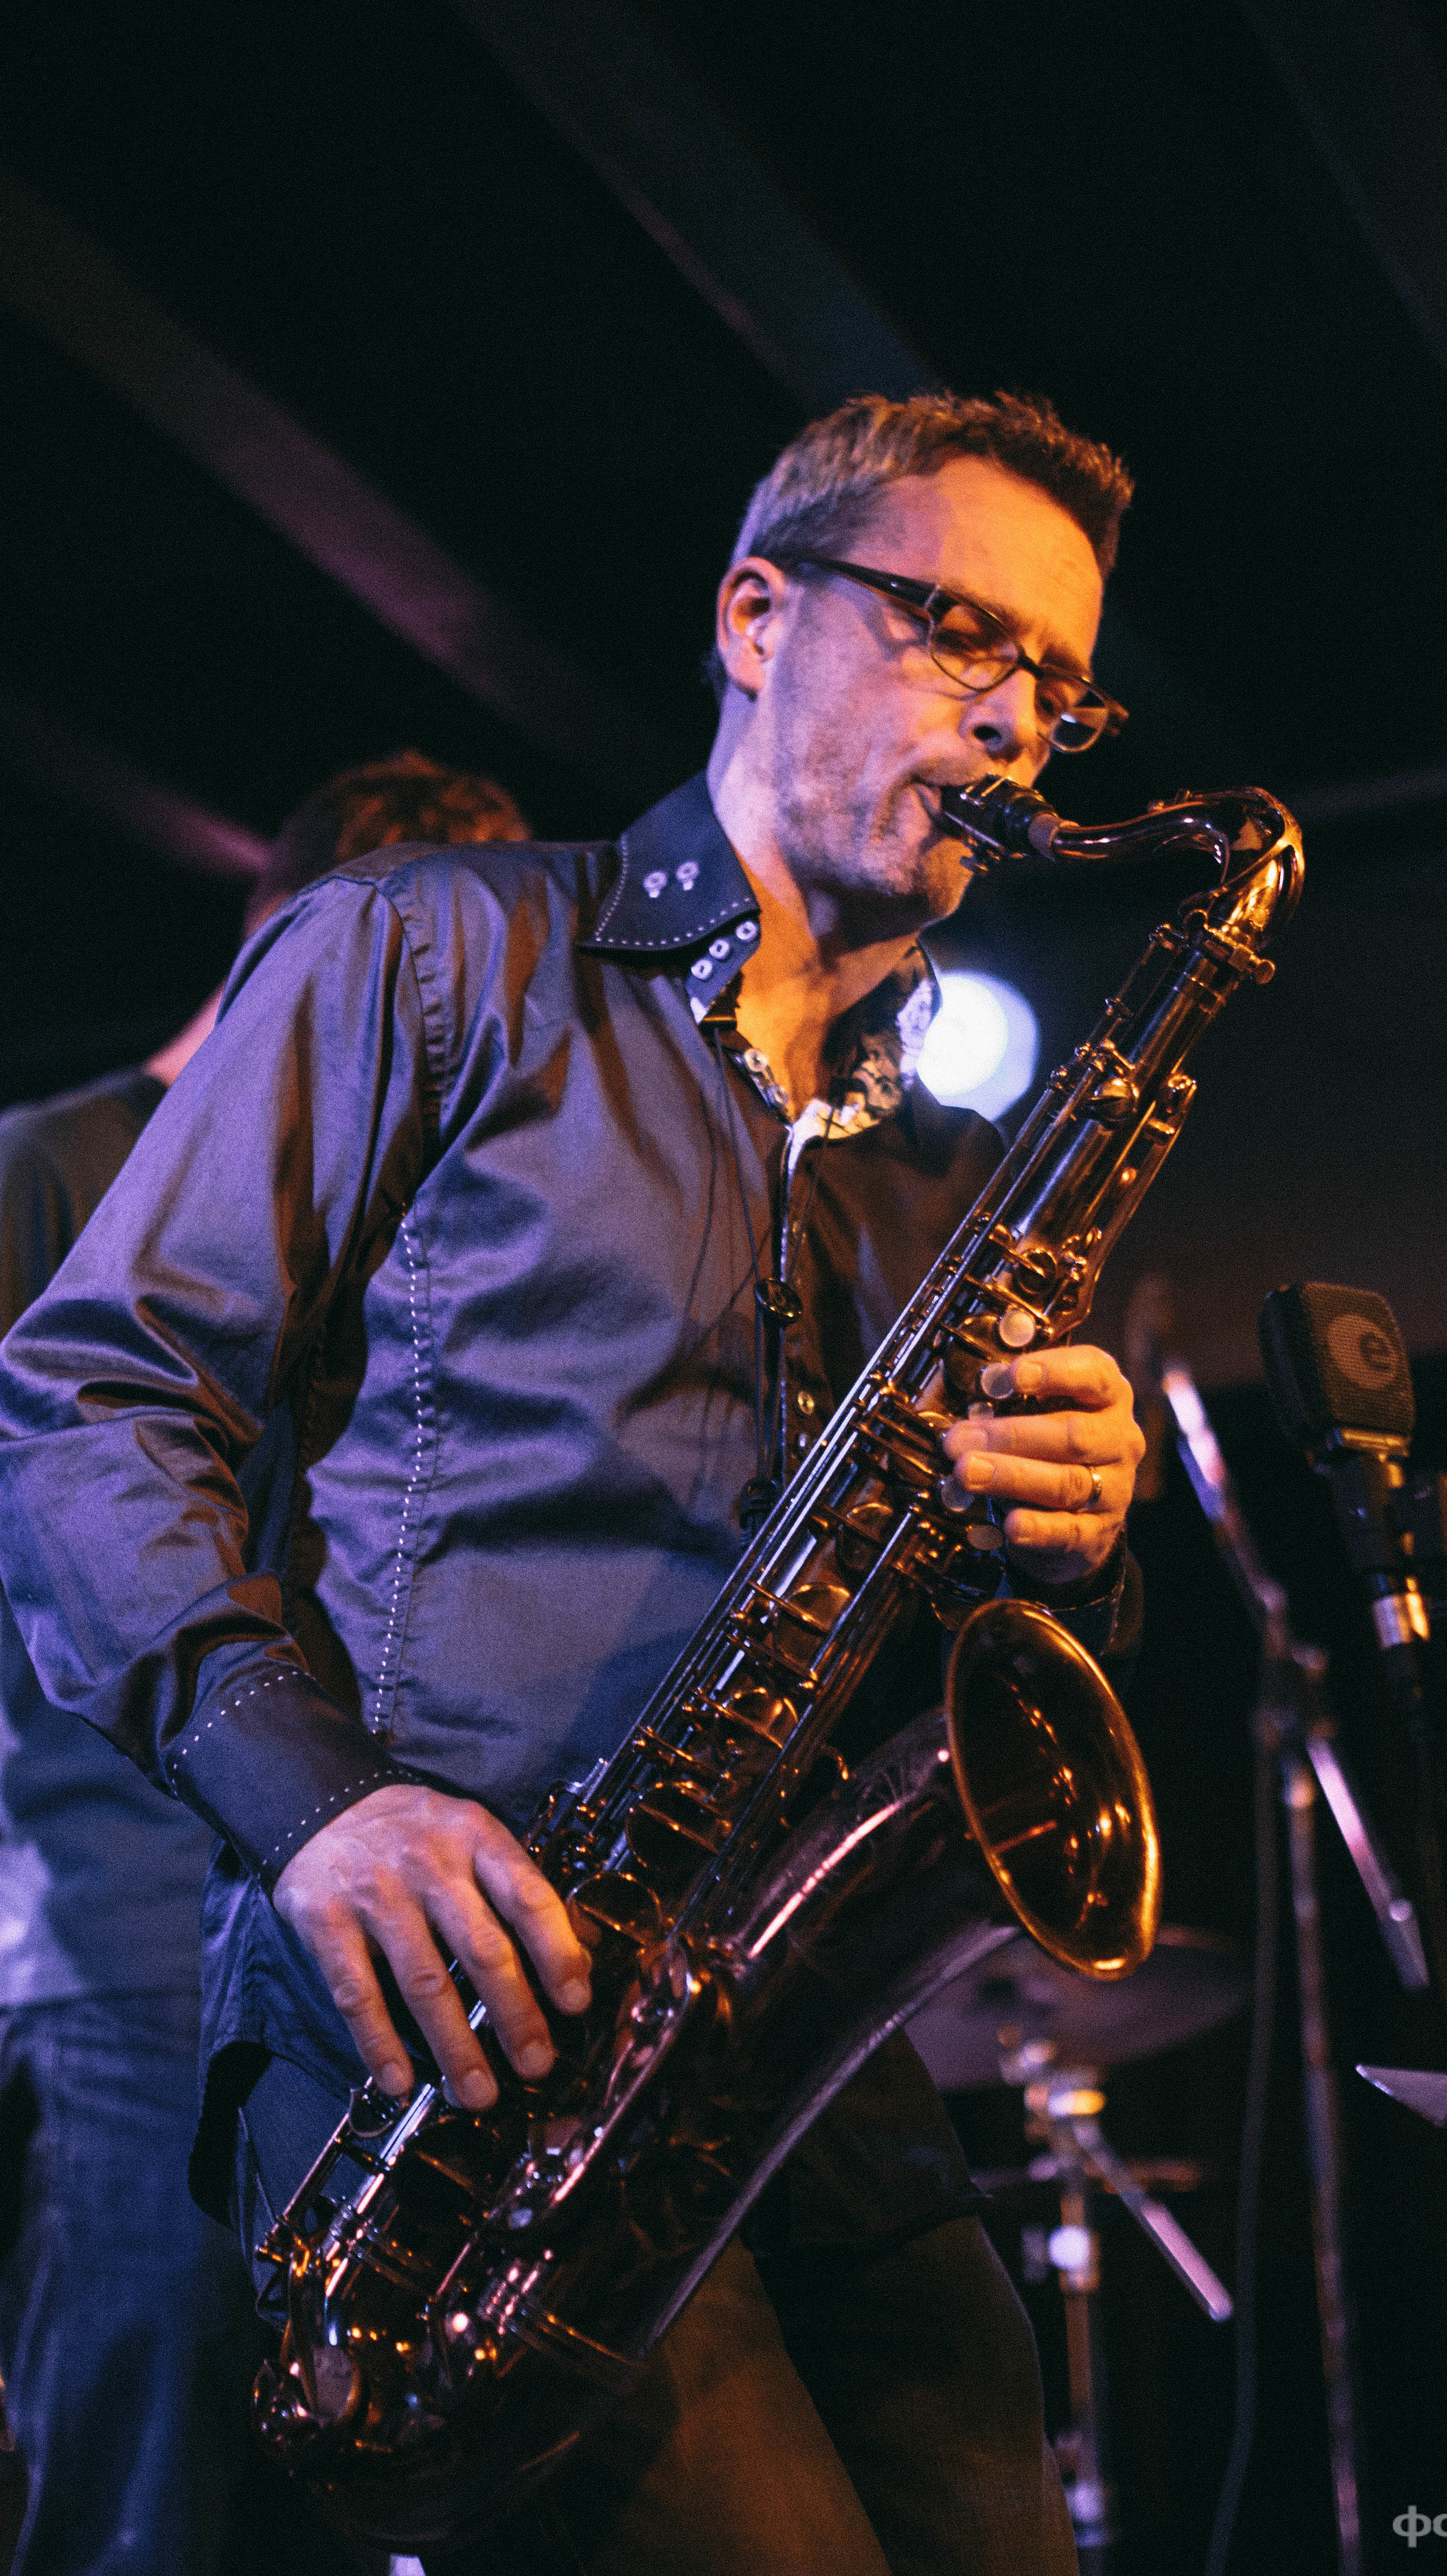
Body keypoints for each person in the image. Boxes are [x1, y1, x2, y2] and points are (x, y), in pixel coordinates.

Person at [0, 393, 1150, 2575]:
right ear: (752, 615)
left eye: (1058, 690)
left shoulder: (947, 1184)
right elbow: (87, 1398)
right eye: (951, 635)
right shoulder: (432, 952)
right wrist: (317, 1803)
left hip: (799, 2064)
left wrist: (1061, 1548)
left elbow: (918, 1665)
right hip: (462, 2042)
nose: (1012, 723)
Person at [0, 752, 531, 2576]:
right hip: (133, 1926)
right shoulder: (49, 1169)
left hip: (348, 1918)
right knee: (150, 2486)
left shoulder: (375, 1211)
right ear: (307, 946)